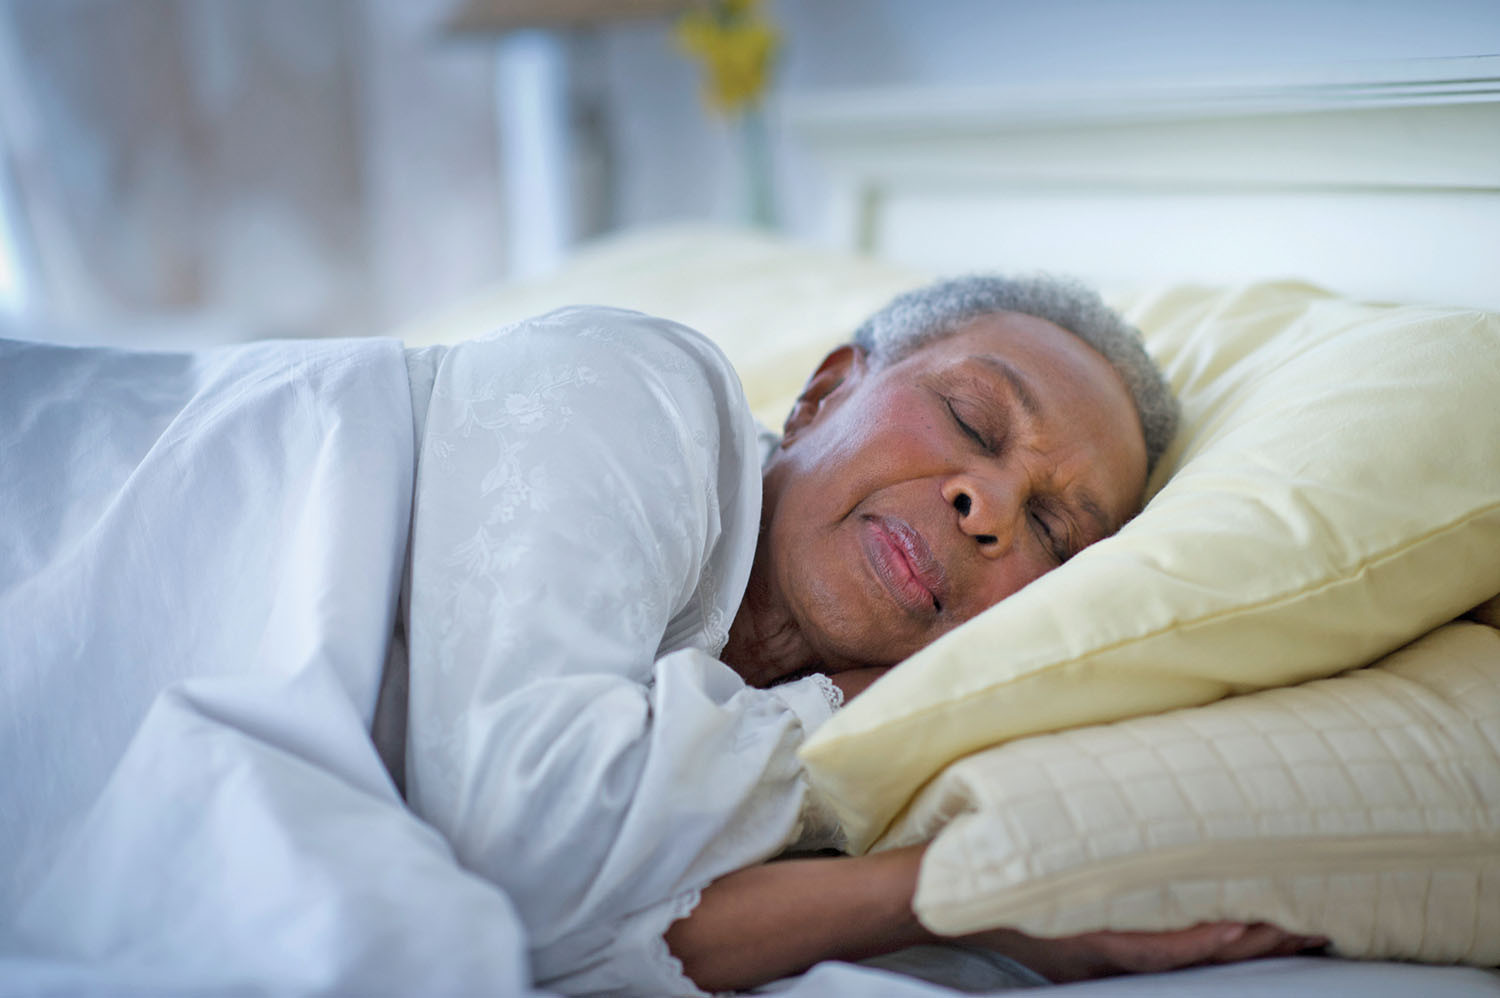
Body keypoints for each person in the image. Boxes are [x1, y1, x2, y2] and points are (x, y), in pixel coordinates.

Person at [389, 275, 1319, 995]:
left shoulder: (850, 768)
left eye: (1052, 533)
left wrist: (965, 898)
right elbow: (528, 852)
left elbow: (571, 938)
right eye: (971, 418)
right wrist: (851, 700)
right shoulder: (632, 389)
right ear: (824, 393)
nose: (988, 503)